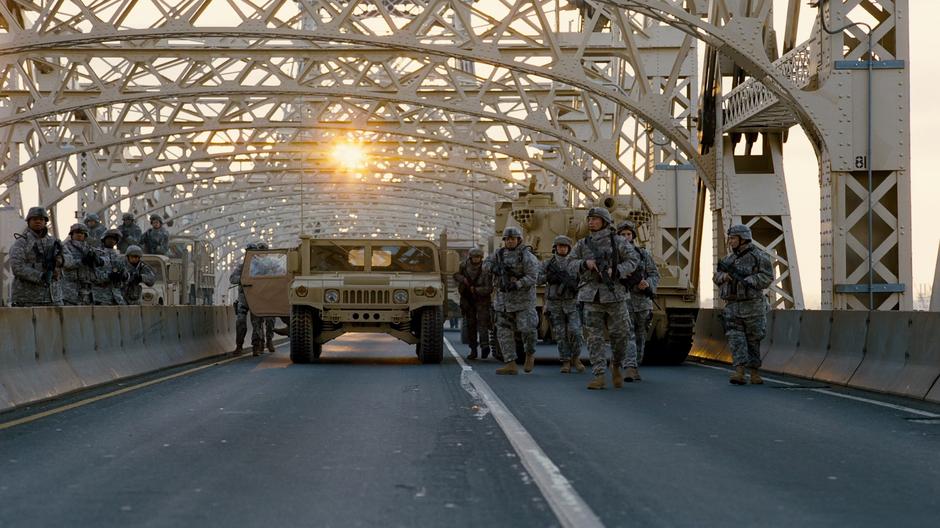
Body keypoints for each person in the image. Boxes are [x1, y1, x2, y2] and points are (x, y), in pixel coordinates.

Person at [568, 207, 639, 390]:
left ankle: (616, 364)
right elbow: (569, 263)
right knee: (594, 338)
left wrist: (615, 271)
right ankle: (599, 374)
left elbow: (633, 260)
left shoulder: (619, 242)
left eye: (595, 219)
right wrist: (586, 263)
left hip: (615, 295)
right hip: (591, 296)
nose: (591, 222)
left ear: (605, 221)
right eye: (589, 219)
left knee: (621, 335)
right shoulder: (583, 244)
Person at [714, 224, 774, 385]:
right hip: (733, 306)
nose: (730, 241)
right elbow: (716, 277)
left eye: (733, 238)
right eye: (730, 238)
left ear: (743, 239)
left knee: (753, 340)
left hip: (752, 306)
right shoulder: (728, 260)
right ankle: (739, 372)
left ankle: (754, 372)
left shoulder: (760, 257)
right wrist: (724, 277)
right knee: (735, 339)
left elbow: (767, 277)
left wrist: (750, 280)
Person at [485, 226, 539, 375]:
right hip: (503, 302)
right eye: (507, 239)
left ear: (518, 240)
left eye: (512, 239)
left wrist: (517, 284)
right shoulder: (498, 254)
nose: (509, 241)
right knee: (503, 333)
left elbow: (534, 276)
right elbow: (486, 264)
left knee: (528, 330)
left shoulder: (527, 256)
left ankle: (529, 355)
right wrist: (493, 269)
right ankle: (510, 363)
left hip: (523, 301)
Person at [617, 220, 660, 382]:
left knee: (640, 335)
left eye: (628, 234)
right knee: (627, 333)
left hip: (642, 301)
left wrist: (648, 284)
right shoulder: (615, 256)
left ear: (633, 236)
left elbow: (655, 274)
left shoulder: (643, 254)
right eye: (622, 234)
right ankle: (629, 366)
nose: (626, 237)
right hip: (622, 300)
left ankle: (636, 363)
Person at [538, 235, 586, 373]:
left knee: (576, 332)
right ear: (555, 248)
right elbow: (537, 277)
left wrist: (575, 285)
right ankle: (565, 361)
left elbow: (585, 279)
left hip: (572, 302)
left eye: (564, 246)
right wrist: (548, 277)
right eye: (559, 246)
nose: (562, 249)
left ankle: (576, 358)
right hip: (554, 302)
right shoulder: (548, 264)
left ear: (569, 248)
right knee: (560, 334)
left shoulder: (575, 263)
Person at [9, 207, 64, 307]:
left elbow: (68, 259)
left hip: (53, 298)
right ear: (29, 222)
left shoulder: (54, 242)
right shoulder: (22, 243)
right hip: (28, 299)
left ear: (45, 222)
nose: (38, 221)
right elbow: (17, 267)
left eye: (41, 219)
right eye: (34, 219)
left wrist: (60, 262)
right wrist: (40, 276)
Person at [230, 241, 271, 355]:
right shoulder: (242, 265)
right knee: (240, 322)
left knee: (257, 323)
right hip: (243, 298)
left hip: (257, 298)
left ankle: (256, 347)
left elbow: (270, 278)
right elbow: (232, 278)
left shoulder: (262, 266)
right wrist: (243, 279)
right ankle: (239, 346)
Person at [454, 248, 493, 360]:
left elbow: (489, 288)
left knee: (483, 324)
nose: (476, 259)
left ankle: (485, 346)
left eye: (478, 257)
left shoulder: (485, 269)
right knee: (471, 325)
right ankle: (473, 349)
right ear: (470, 257)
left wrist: (476, 290)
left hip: (482, 300)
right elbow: (456, 275)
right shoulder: (464, 266)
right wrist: (463, 280)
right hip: (467, 300)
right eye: (474, 257)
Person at [61, 223, 101, 305]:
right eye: (76, 233)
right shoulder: (65, 247)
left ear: (85, 235)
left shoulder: (90, 248)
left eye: (82, 233)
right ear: (72, 234)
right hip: (70, 289)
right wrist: (82, 261)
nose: (79, 235)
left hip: (87, 289)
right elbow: (67, 263)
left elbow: (100, 264)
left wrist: (97, 260)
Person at [93, 228, 127, 305]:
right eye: (109, 238)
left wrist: (123, 276)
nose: (112, 241)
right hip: (101, 297)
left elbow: (125, 272)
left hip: (117, 297)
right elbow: (93, 275)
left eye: (114, 239)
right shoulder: (97, 254)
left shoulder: (118, 256)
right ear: (104, 239)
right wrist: (109, 276)